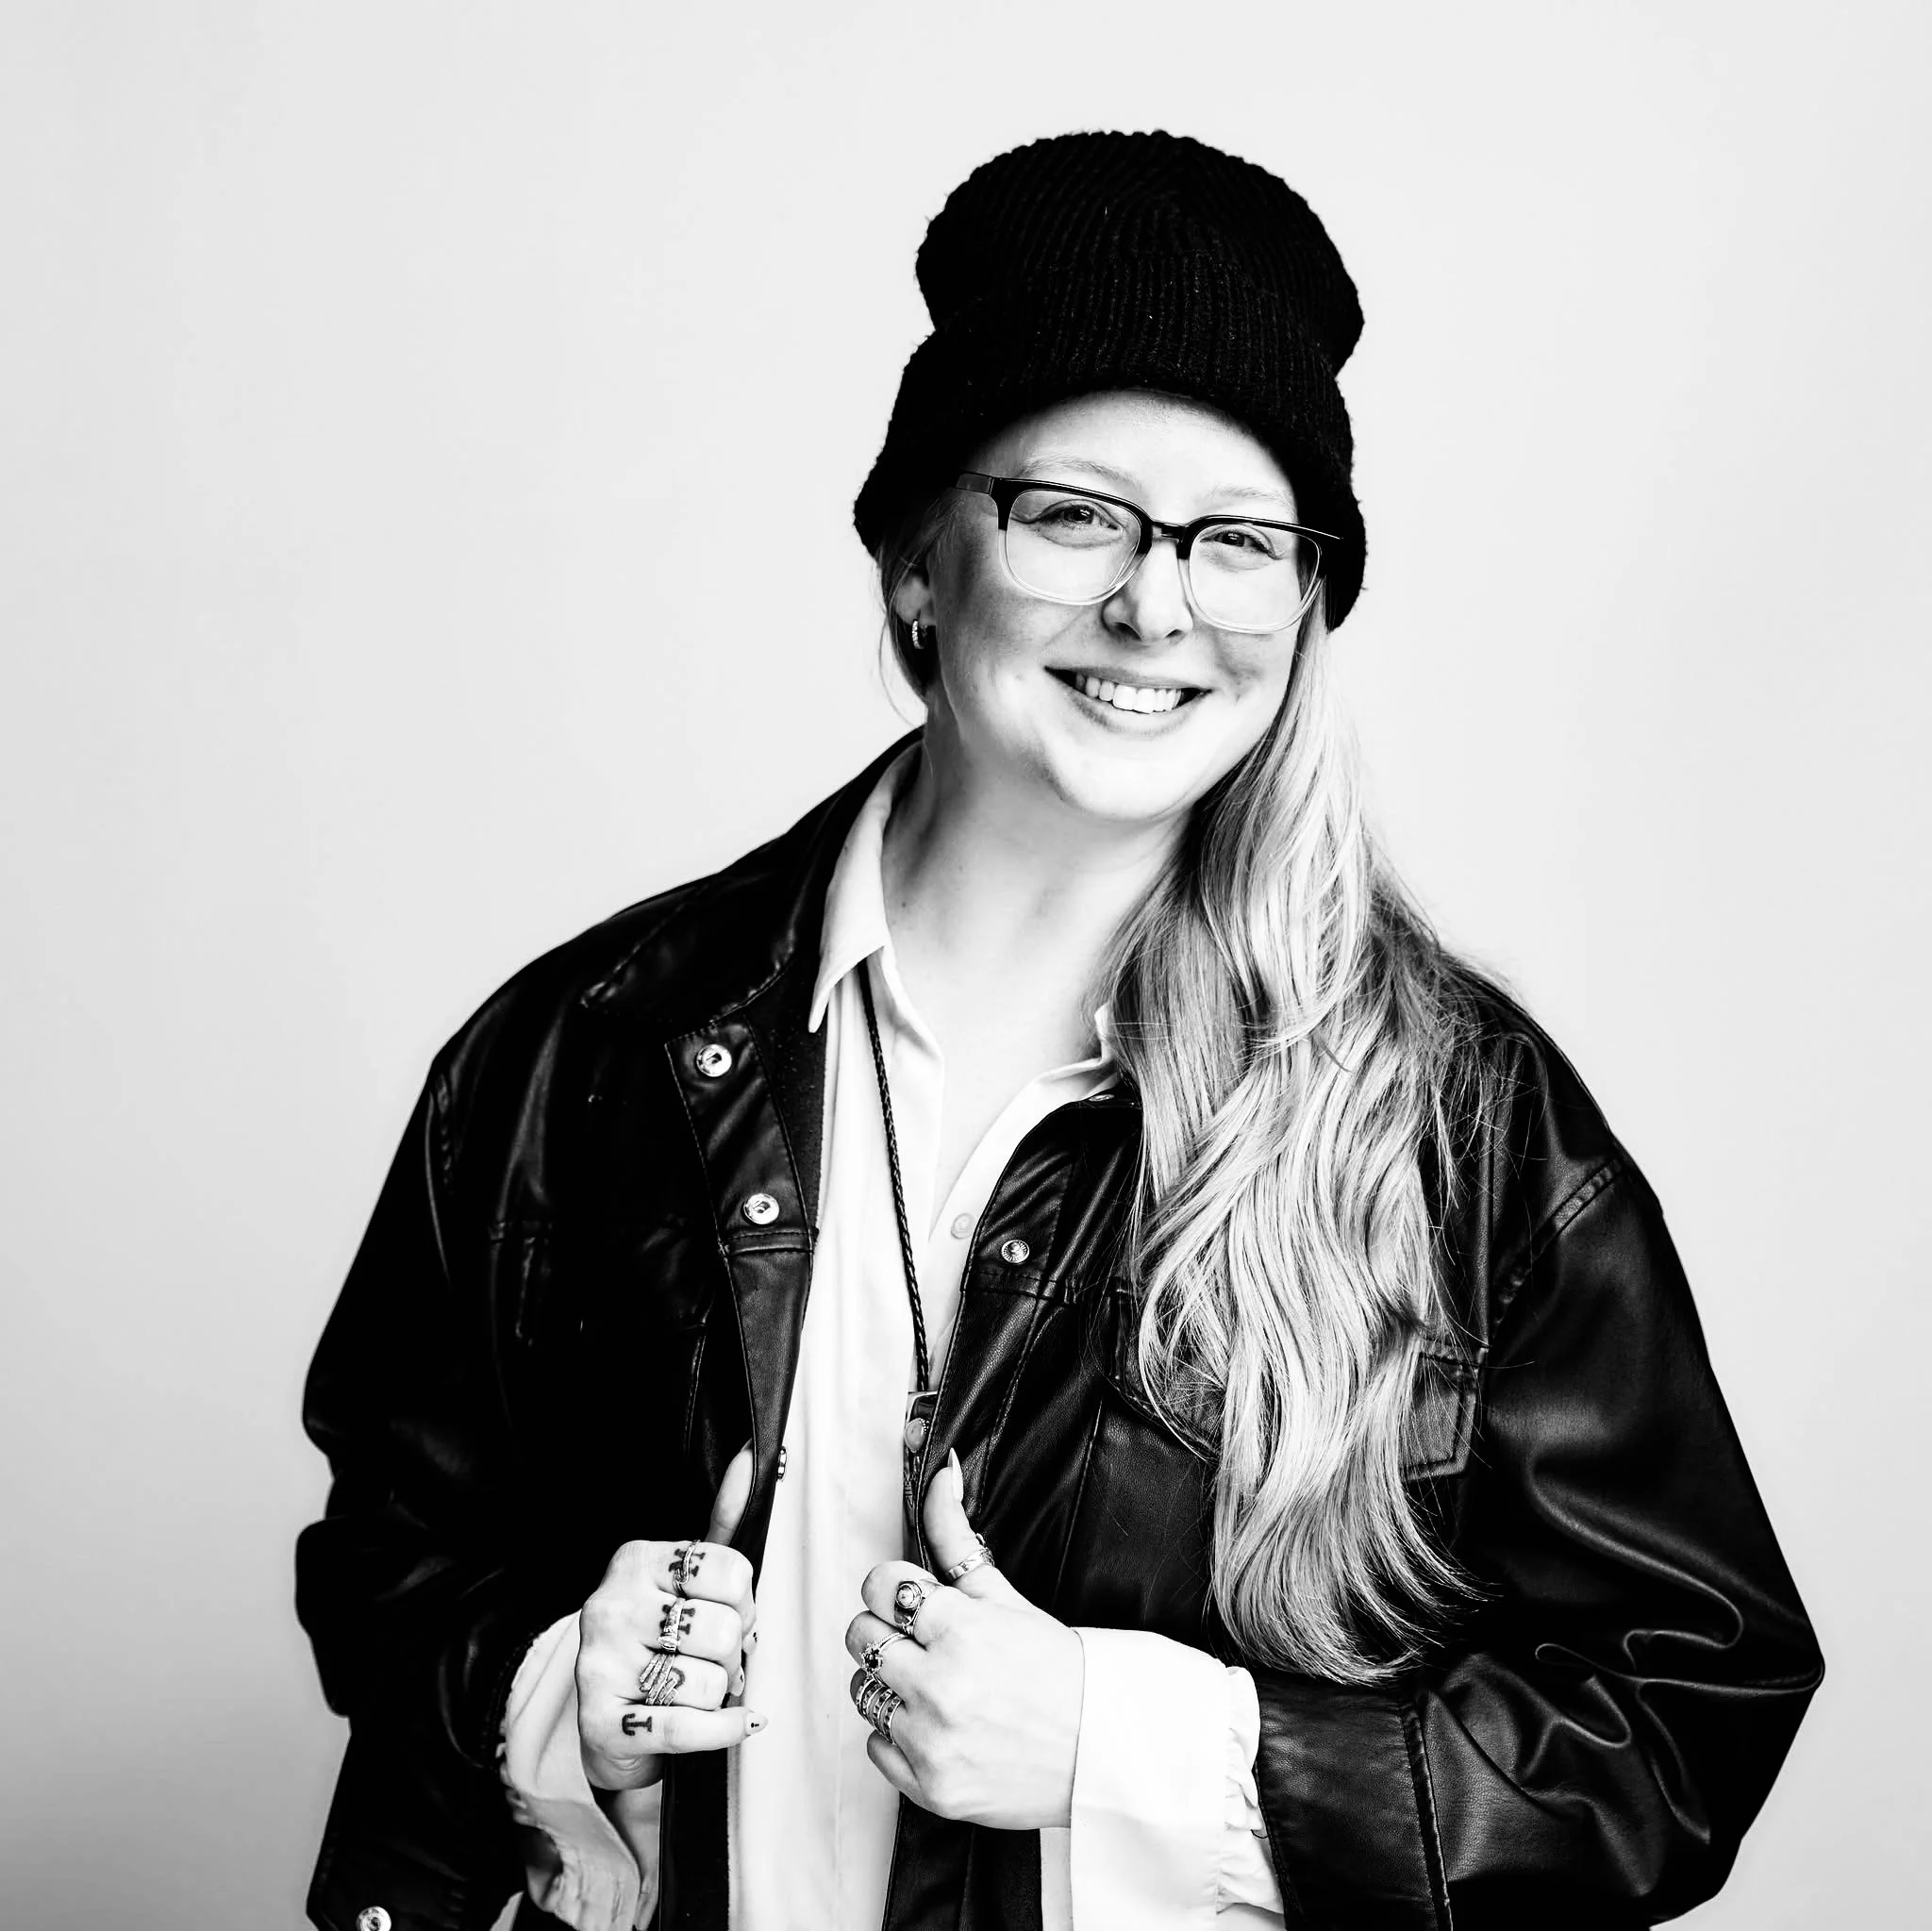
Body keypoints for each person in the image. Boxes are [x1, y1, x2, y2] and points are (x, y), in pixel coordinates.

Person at [296, 131, 1822, 1931]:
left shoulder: (1457, 1125)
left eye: (1238, 540)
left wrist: (1124, 1745)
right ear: (921, 561)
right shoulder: (580, 1055)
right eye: (1077, 511)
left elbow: (1677, 1715)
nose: (1156, 603)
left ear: (1307, 602)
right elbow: (391, 1567)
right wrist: (556, 1690)